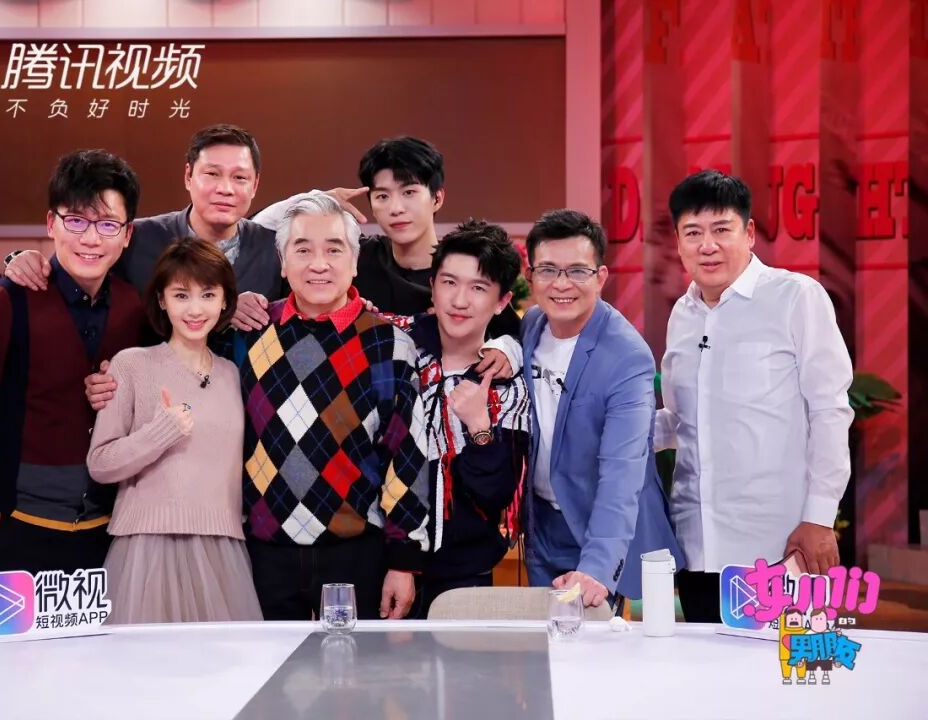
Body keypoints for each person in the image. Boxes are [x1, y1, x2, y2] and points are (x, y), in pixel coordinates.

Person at [656, 170, 854, 622]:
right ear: (678, 243)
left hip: (779, 546)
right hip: (696, 546)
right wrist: (612, 429)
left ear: (748, 233)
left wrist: (819, 517)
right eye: (693, 233)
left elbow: (829, 410)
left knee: (782, 665)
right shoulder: (682, 315)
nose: (708, 245)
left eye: (721, 230)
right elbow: (682, 421)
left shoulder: (795, 297)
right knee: (704, 665)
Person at [0, 149, 144, 575]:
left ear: (127, 235)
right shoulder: (2, 303)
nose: (91, 239)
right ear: (51, 224)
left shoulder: (134, 308)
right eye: (76, 221)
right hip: (15, 525)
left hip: (108, 532)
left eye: (107, 225)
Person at [225, 192, 430, 621]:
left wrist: (404, 560)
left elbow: (407, 456)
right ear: (283, 263)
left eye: (334, 250)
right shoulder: (249, 334)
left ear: (354, 262)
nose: (318, 264)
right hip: (262, 555)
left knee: (355, 665)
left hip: (357, 554)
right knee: (268, 665)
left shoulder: (389, 343)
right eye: (302, 250)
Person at [86, 239, 262, 623]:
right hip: (146, 548)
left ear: (224, 302)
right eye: (181, 295)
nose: (195, 309)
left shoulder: (233, 374)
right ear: (162, 301)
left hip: (222, 548)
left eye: (208, 295)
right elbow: (100, 463)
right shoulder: (132, 364)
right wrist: (161, 432)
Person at [520, 209, 683, 608]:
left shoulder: (627, 356)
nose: (562, 284)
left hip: (600, 528)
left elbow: (623, 471)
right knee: (543, 642)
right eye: (548, 270)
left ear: (601, 277)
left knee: (591, 640)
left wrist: (596, 566)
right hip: (541, 526)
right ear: (530, 276)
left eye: (577, 271)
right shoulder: (530, 326)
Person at [245, 136, 520, 340]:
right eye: (382, 196)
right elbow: (255, 230)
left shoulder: (461, 273)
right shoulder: (352, 258)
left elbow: (515, 336)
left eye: (409, 193)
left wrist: (506, 349)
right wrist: (314, 199)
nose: (396, 208)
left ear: (437, 198)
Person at [392, 219, 530, 618]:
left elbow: (496, 493)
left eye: (478, 288)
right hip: (382, 561)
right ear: (432, 285)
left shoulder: (509, 385)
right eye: (449, 282)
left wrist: (479, 426)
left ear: (502, 301)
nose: (460, 300)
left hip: (465, 572)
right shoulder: (393, 347)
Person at [4, 123, 285, 300]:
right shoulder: (137, 237)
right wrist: (21, 260)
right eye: (212, 174)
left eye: (239, 178)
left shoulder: (275, 248)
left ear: (255, 185)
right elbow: (70, 274)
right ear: (188, 176)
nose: (225, 189)